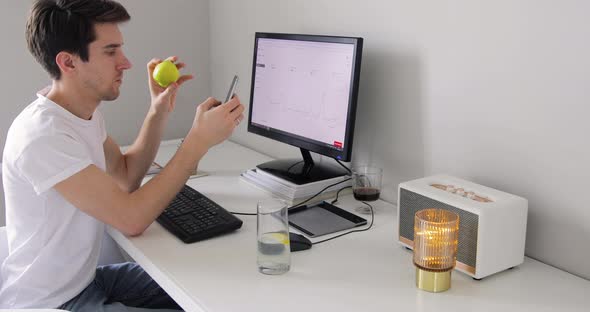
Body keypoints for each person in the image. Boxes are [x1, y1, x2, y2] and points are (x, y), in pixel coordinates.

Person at [0, 0, 244, 310]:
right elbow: (131, 219)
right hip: (52, 302)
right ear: (69, 62)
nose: (126, 63)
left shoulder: (79, 113)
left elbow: (126, 177)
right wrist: (197, 142)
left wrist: (157, 109)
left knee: (212, 286)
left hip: (85, 282)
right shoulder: (43, 136)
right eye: (110, 51)